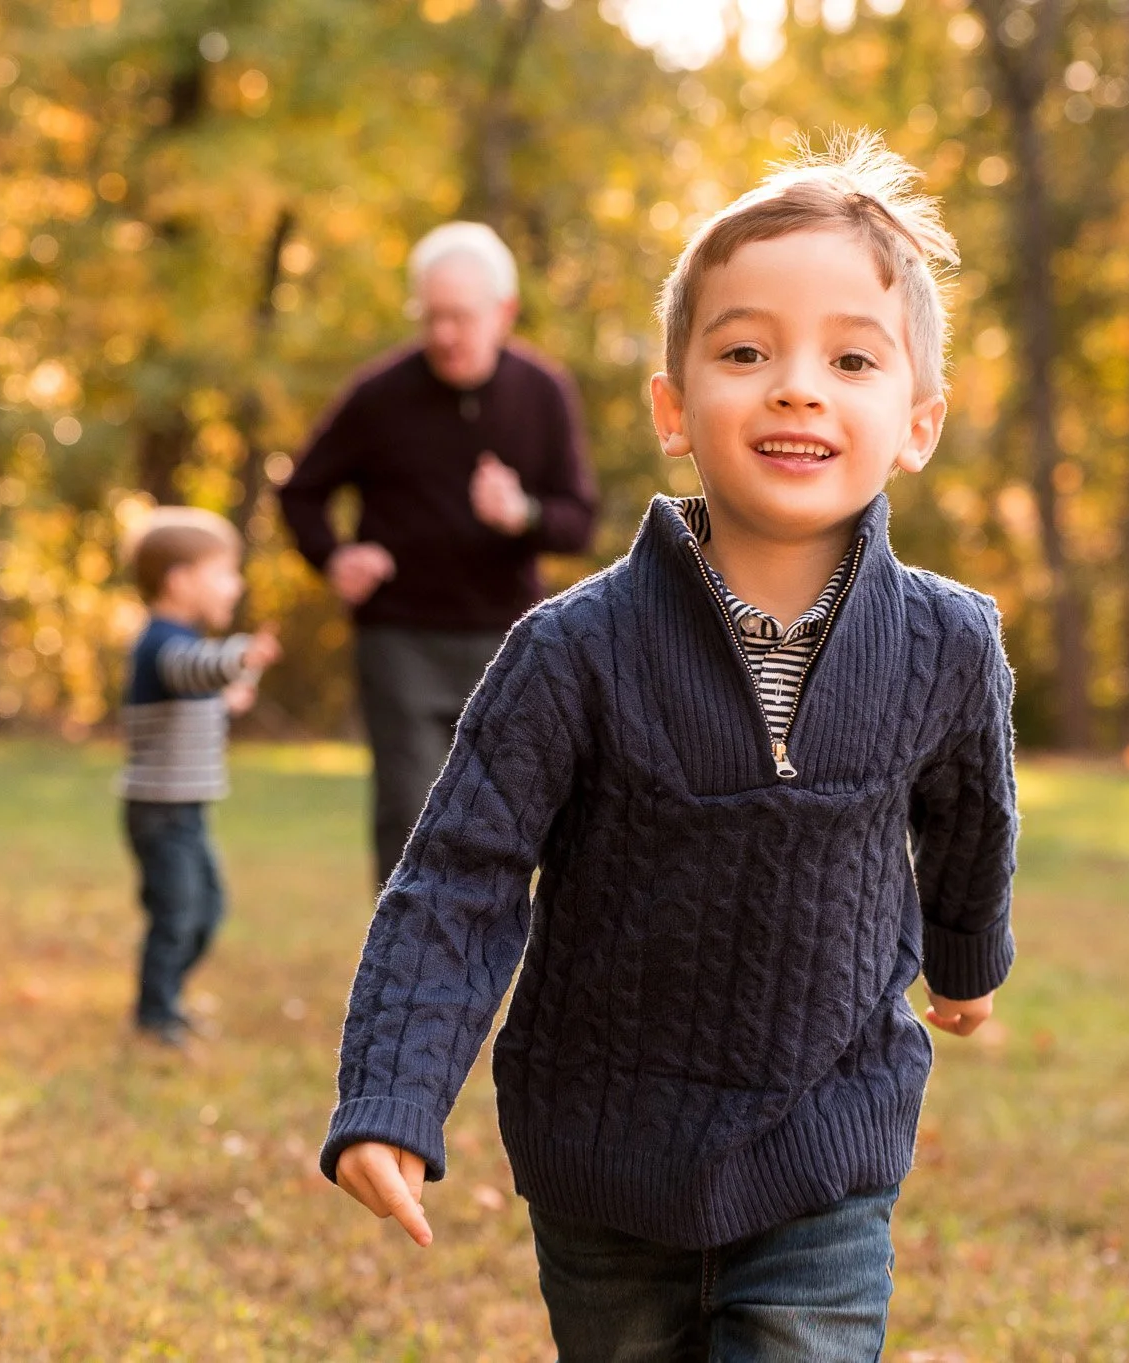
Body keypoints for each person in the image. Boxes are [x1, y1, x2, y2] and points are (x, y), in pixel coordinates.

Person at [320, 134, 1018, 1361]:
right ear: (671, 407)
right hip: (603, 1158)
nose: (796, 386)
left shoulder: (947, 643)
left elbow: (966, 815)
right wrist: (391, 1094)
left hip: (821, 1146)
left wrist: (963, 958)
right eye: (745, 352)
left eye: (849, 357)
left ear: (914, 421)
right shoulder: (571, 648)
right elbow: (460, 873)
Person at [279, 221, 597, 886]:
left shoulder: (543, 391)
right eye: (431, 316)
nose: (445, 333)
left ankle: (485, 970)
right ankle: (403, 985)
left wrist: (523, 514)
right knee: (409, 817)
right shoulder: (379, 395)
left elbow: (577, 521)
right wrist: (333, 557)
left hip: (508, 638)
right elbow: (301, 491)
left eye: (460, 316)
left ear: (503, 312)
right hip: (400, 640)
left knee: (504, 818)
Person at [118, 507, 282, 1049]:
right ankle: (154, 1014)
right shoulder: (162, 642)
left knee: (206, 909)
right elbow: (191, 669)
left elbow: (192, 690)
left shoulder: (179, 645)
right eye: (224, 573)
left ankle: (165, 998)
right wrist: (239, 656)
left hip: (185, 808)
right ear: (180, 579)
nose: (235, 585)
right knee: (177, 911)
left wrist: (225, 699)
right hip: (159, 811)